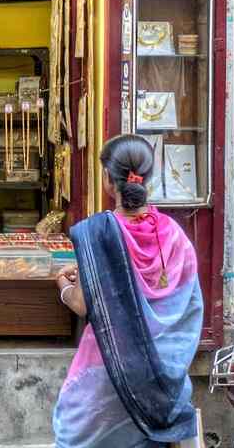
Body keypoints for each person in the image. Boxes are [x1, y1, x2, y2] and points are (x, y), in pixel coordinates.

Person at [52, 135, 203, 447]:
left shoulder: (97, 233)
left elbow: (83, 305)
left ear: (108, 180)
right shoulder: (174, 235)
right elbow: (189, 307)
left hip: (105, 376)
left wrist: (64, 286)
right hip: (161, 382)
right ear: (151, 176)